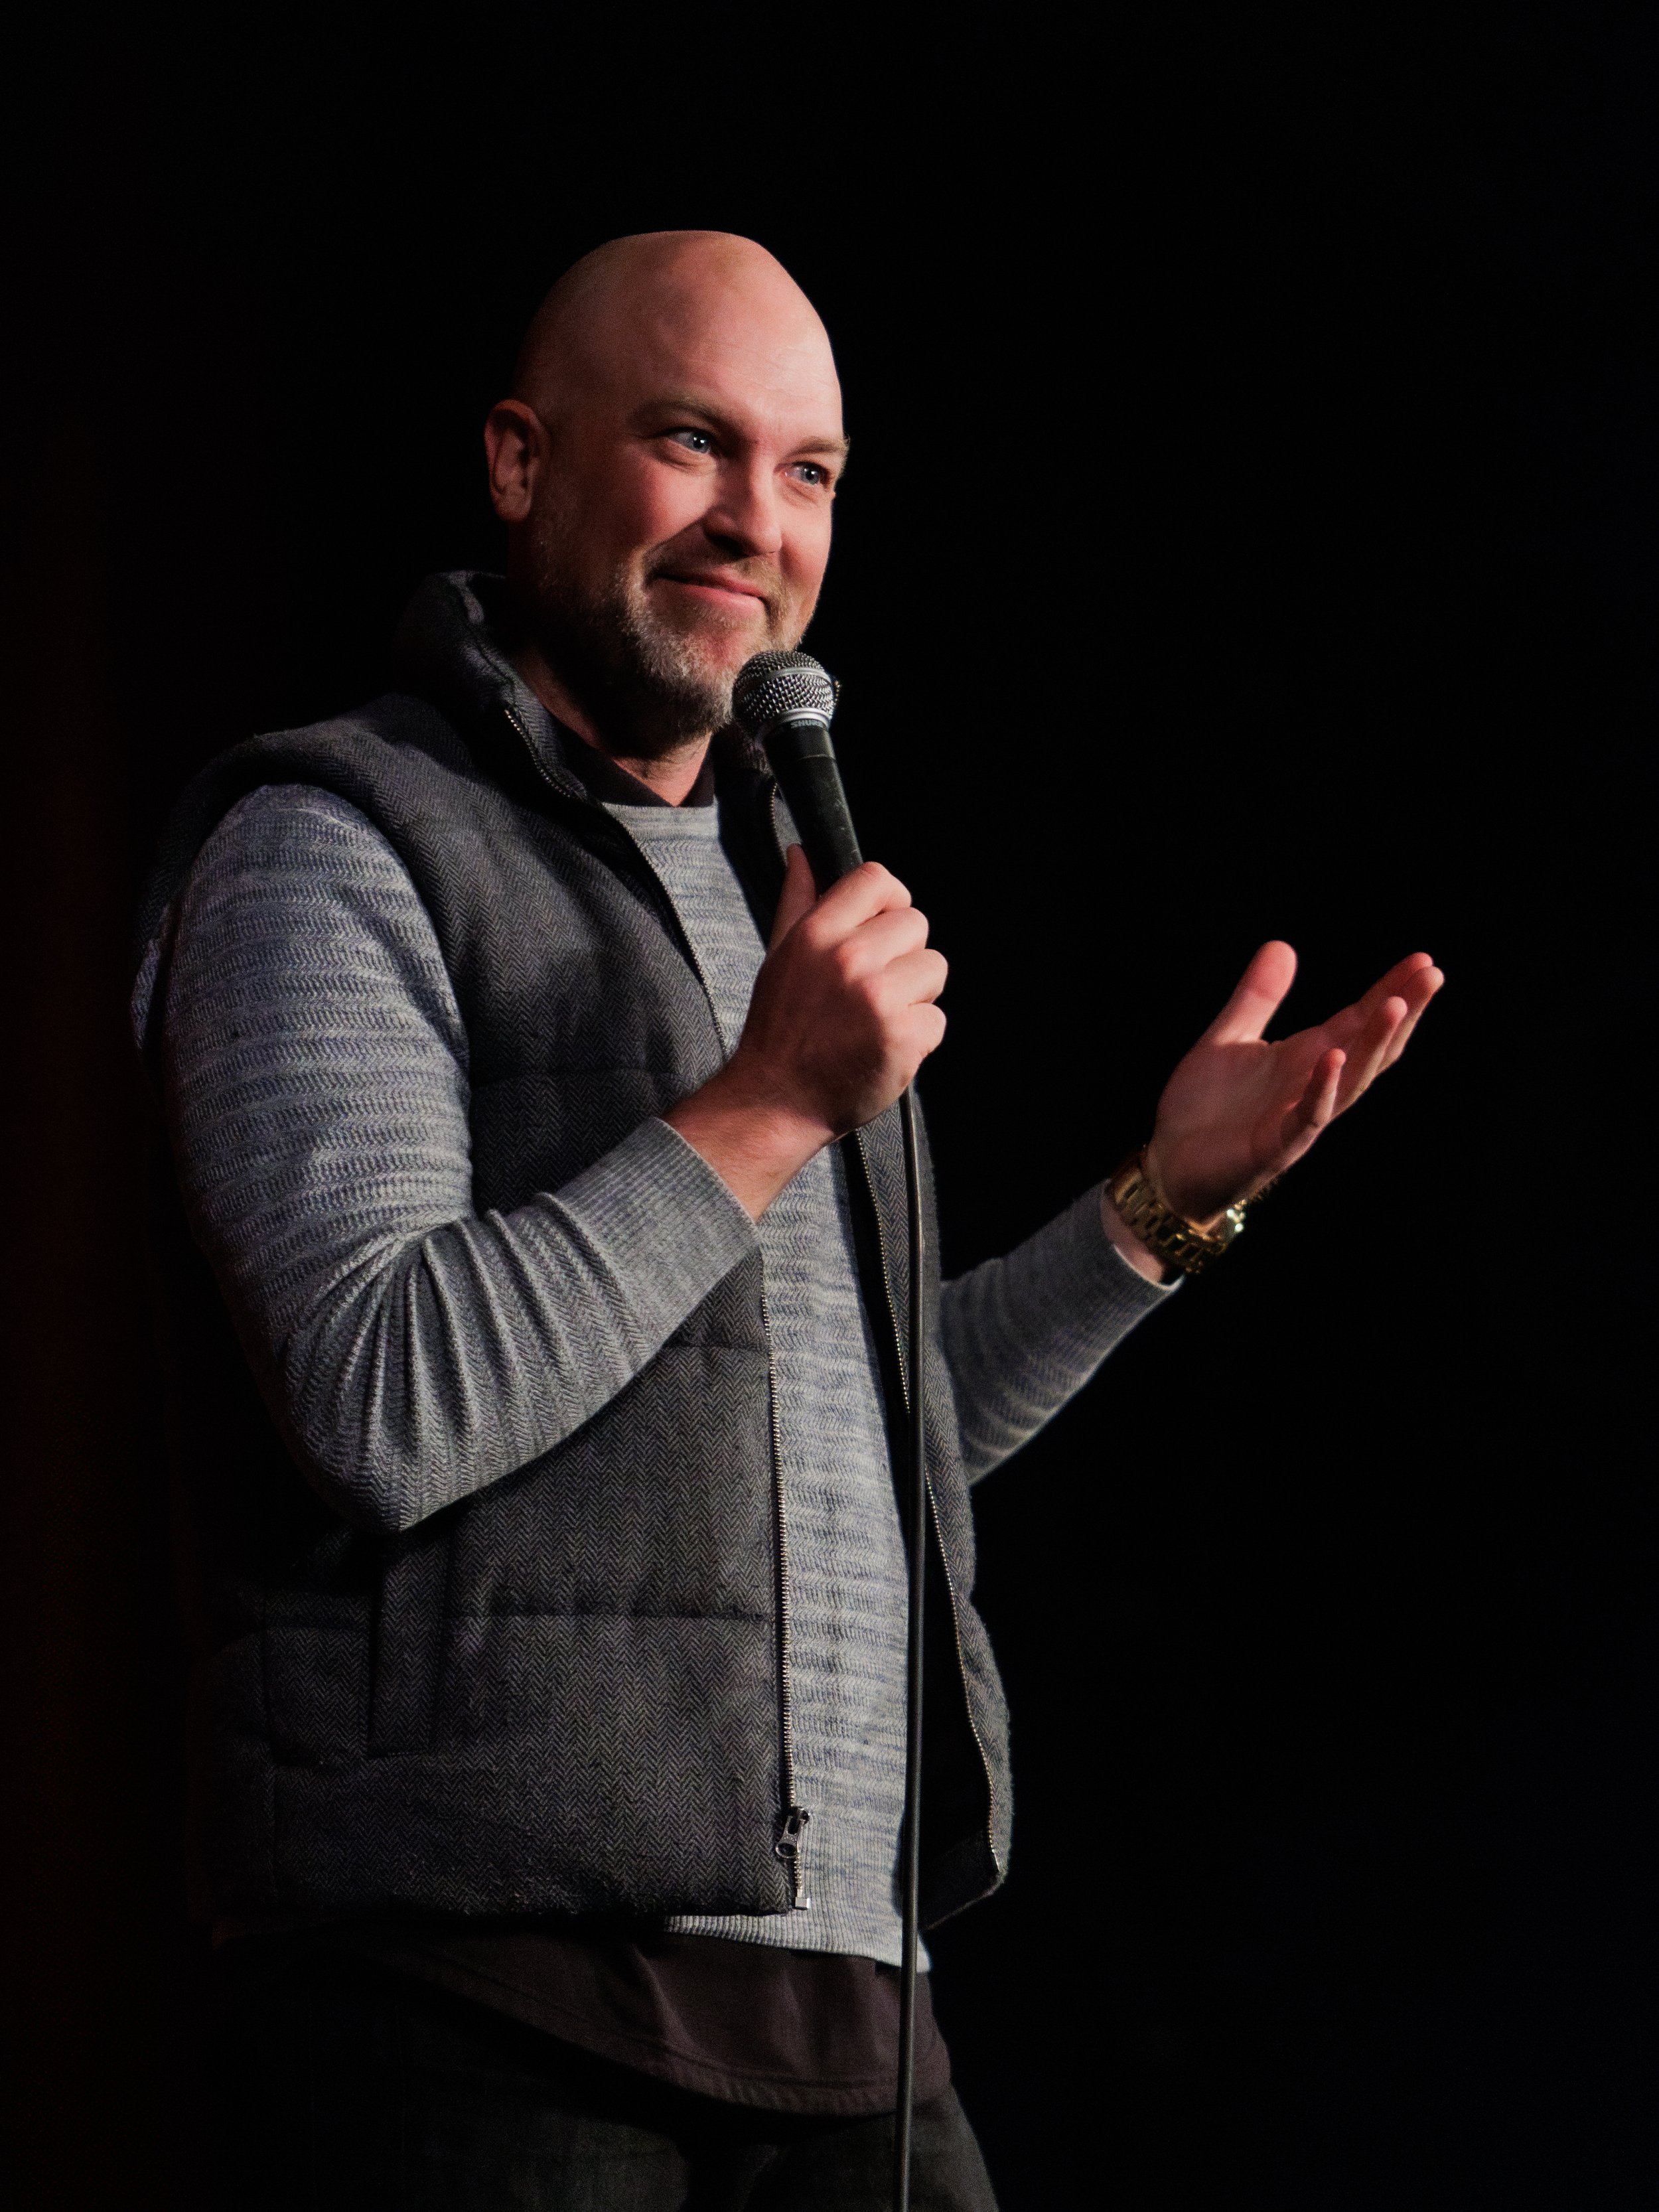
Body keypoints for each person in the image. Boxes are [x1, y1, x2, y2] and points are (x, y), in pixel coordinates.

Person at [133, 230, 1442, 2209]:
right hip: (480, 2001)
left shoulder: (772, 899)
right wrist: (760, 1107)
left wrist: (1155, 1217)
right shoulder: (329, 843)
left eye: (809, 470)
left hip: (843, 2010)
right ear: (517, 460)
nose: (757, 521)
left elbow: (861, 1440)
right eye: (690, 441)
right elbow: (378, 1394)